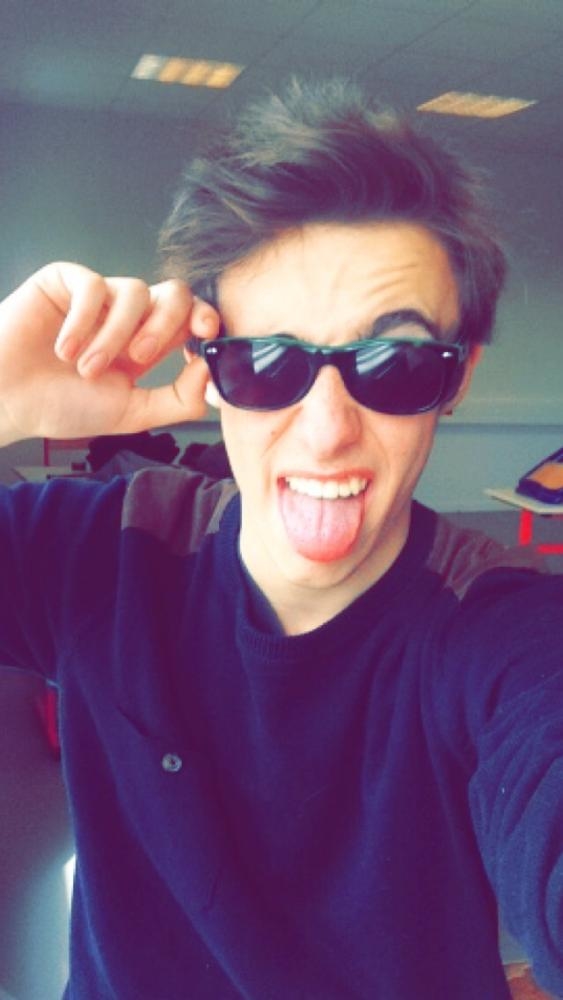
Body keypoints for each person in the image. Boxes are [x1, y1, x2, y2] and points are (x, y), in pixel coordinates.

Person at [0, 78, 562, 1000]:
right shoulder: (98, 553)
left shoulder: (501, 633)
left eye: (395, 362)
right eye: (267, 362)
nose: (326, 431)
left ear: (456, 376)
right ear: (207, 369)